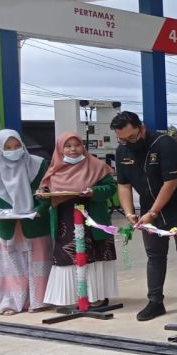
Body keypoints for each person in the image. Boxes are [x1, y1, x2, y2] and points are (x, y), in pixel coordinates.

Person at [111, 111, 177, 321]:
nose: (127, 143)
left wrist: (153, 212)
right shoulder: (122, 151)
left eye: (131, 137)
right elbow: (123, 185)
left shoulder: (164, 143)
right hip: (150, 208)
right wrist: (130, 212)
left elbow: (171, 182)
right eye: (122, 139)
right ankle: (155, 302)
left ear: (141, 128)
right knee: (155, 255)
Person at [40, 132, 119, 308]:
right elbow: (44, 194)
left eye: (77, 145)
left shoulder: (96, 166)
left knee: (94, 256)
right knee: (68, 256)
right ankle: (71, 297)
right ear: (60, 149)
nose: (73, 149)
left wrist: (94, 192)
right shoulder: (54, 170)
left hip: (93, 218)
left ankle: (96, 296)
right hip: (65, 221)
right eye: (68, 146)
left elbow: (110, 188)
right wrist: (43, 195)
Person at [0, 130, 52, 315]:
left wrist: (40, 209)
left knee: (39, 262)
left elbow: (46, 191)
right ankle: (12, 303)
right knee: (12, 265)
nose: (13, 150)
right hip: (10, 224)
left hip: (35, 222)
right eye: (7, 148)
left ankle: (40, 301)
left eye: (16, 146)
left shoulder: (38, 165)